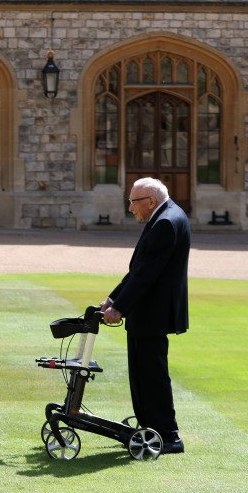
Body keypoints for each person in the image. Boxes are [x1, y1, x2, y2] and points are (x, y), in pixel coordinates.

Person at [101, 177, 190, 454]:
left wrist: (120, 308)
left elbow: (147, 275)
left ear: (150, 201)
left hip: (153, 313)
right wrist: (113, 298)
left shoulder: (165, 222)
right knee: (141, 375)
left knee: (151, 376)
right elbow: (139, 269)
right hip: (148, 312)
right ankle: (150, 425)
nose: (130, 208)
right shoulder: (165, 215)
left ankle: (167, 435)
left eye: (133, 202)